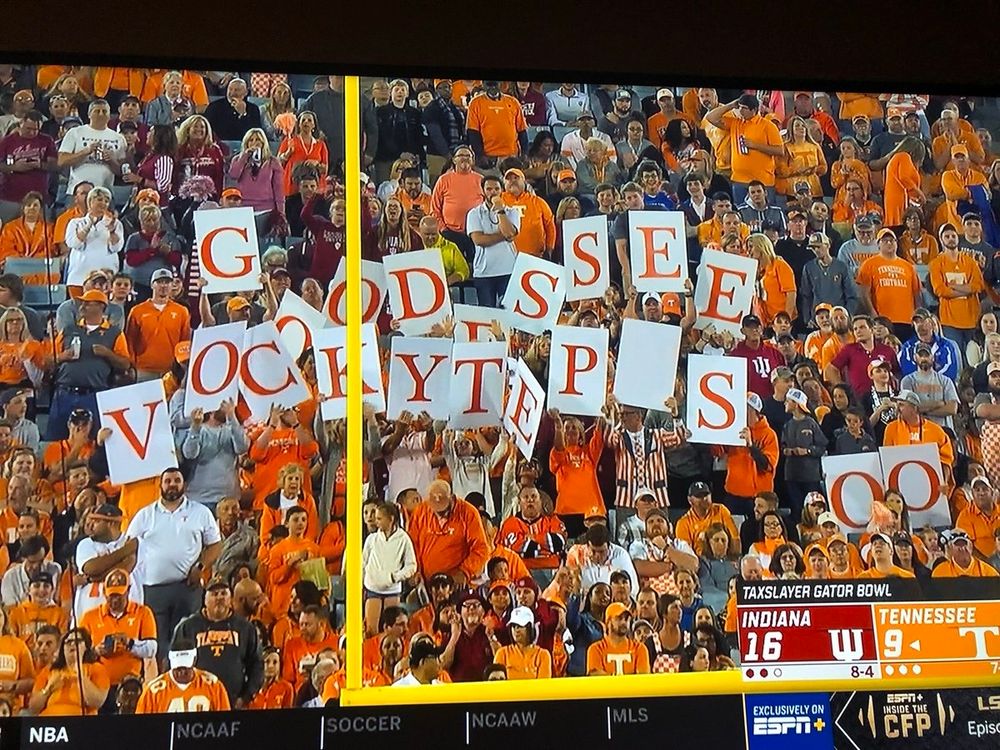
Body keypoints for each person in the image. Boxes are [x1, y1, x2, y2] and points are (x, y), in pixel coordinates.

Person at [125, 468, 222, 661]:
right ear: (160, 485)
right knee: (158, 642)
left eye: (177, 480)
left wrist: (200, 567)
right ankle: (163, 675)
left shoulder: (200, 512)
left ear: (184, 485)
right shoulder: (145, 515)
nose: (172, 485)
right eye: (168, 481)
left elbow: (215, 545)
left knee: (188, 639)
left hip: (187, 588)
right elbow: (128, 547)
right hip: (153, 589)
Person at [173, 578, 262, 707]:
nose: (219, 597)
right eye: (214, 594)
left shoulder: (245, 628)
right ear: (205, 600)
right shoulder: (188, 627)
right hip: (197, 702)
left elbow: (256, 665)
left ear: (230, 599)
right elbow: (175, 663)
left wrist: (246, 697)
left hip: (233, 703)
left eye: (223, 593)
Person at [78, 568, 156, 711]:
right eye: (111, 595)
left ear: (128, 591)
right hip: (99, 684)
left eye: (119, 595)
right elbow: (78, 652)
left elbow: (151, 648)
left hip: (131, 684)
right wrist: (95, 651)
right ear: (104, 593)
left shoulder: (143, 613)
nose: (114, 600)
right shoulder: (89, 617)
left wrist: (130, 643)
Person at [407, 480, 489, 588]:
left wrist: (465, 571)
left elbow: (481, 548)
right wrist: (415, 570)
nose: (440, 516)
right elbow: (412, 546)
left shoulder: (468, 513)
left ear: (452, 497)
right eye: (436, 511)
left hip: (456, 584)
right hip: (427, 584)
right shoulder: (420, 512)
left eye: (443, 510)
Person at [705, 93, 783, 204]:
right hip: (739, 180)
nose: (740, 111)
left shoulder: (768, 126)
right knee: (741, 211)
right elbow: (710, 118)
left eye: (744, 108)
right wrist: (731, 105)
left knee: (765, 211)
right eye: (740, 107)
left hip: (763, 181)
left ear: (754, 110)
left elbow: (780, 150)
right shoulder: (735, 123)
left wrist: (755, 145)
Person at [135, 636, 231, 713]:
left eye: (185, 668)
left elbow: (226, 722)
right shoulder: (153, 692)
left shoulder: (214, 686)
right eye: (178, 668)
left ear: (194, 661)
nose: (181, 673)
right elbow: (142, 725)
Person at [465, 173, 519, 308]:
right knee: (486, 313)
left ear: (502, 190)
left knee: (508, 311)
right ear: (483, 191)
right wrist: (505, 236)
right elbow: (479, 240)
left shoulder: (512, 212)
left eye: (496, 189)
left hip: (508, 270)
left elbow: (510, 233)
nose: (493, 192)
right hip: (484, 273)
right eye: (489, 189)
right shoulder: (474, 214)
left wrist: (500, 211)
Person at [28, 628, 109, 716]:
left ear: (86, 646)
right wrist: (48, 689)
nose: (73, 644)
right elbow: (33, 709)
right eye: (69, 642)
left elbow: (96, 702)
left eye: (77, 641)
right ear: (63, 648)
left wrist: (79, 670)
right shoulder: (49, 670)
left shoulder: (96, 668)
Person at [57, 99, 126, 191]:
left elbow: (121, 172)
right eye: (97, 111)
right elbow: (61, 161)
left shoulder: (118, 138)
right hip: (78, 190)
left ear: (109, 115)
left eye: (104, 111)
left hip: (104, 192)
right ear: (89, 114)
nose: (101, 114)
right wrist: (85, 152)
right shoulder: (75, 132)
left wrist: (111, 160)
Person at [466, 80, 529, 168]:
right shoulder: (475, 103)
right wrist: (480, 155)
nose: (493, 87)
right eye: (489, 84)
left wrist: (525, 154)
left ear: (500, 84)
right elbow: (473, 133)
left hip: (511, 156)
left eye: (495, 84)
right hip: (488, 157)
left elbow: (522, 131)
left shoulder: (513, 102)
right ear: (483, 85)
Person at [586, 602, 650, 675]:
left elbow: (643, 678)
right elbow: (596, 676)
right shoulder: (596, 649)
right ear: (608, 622)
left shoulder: (639, 648)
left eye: (626, 619)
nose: (624, 622)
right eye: (619, 618)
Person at [493, 606, 552, 679]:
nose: (516, 630)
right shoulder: (502, 654)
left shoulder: (543, 655)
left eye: (520, 626)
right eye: (513, 626)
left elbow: (543, 684)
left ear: (530, 628)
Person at [932, 529, 999, 578]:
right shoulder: (940, 572)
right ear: (950, 548)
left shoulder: (987, 571)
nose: (962, 548)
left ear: (971, 547)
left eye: (965, 544)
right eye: (957, 545)